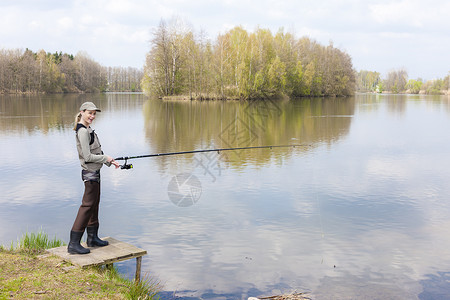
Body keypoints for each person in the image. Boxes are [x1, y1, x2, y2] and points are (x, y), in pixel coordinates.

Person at [68, 101, 120, 255]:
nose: (92, 116)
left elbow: (97, 152)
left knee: (94, 204)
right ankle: (73, 244)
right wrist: (106, 158)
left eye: (94, 113)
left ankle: (92, 238)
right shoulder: (82, 131)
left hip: (95, 172)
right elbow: (88, 156)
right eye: (89, 113)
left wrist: (111, 162)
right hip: (90, 174)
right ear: (82, 112)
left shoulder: (88, 129)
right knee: (87, 206)